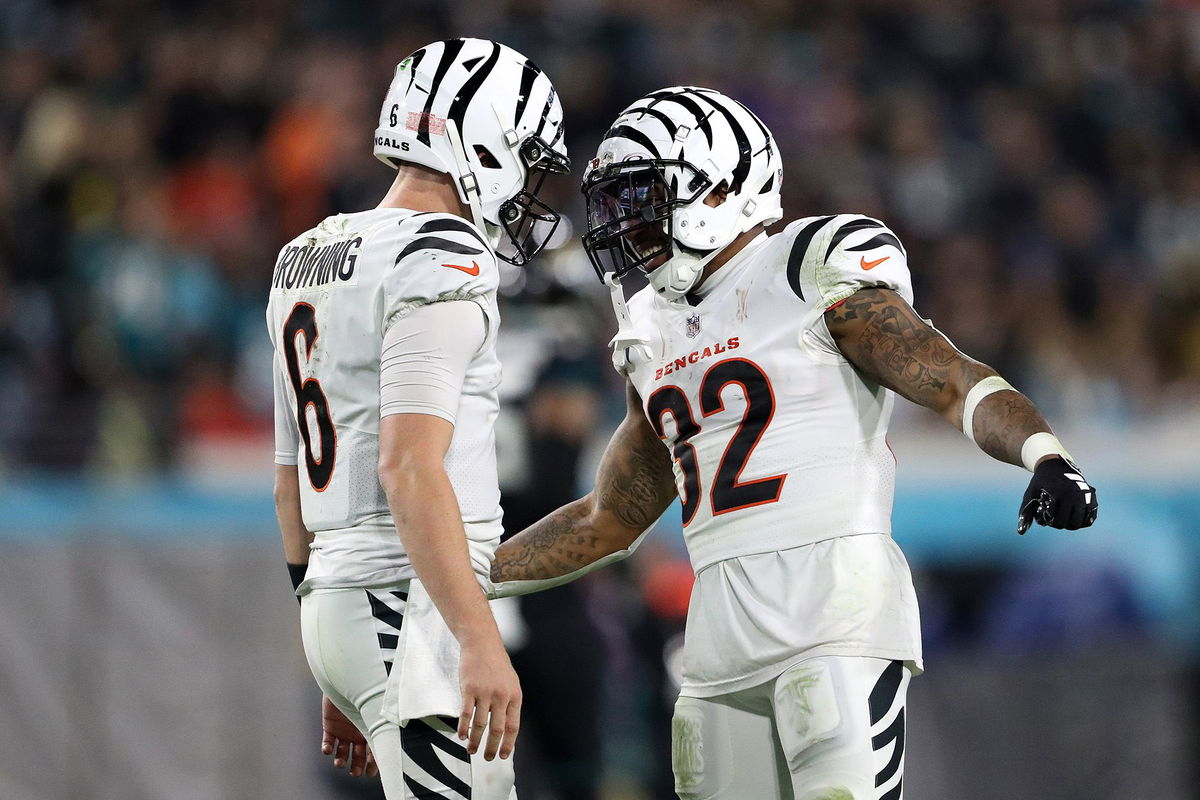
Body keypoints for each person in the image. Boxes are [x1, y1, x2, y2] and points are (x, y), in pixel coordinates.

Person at [488, 86, 1098, 800]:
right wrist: (465, 575)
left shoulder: (808, 263)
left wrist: (1043, 454)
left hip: (832, 613)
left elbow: (950, 379)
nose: (627, 225)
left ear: (717, 188)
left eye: (643, 197)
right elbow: (610, 517)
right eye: (618, 204)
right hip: (717, 639)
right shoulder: (648, 325)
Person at [268, 38, 569, 799]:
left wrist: (332, 661)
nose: (531, 185)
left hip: (340, 601)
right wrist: (475, 637)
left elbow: (288, 484)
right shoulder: (445, 254)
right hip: (406, 603)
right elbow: (406, 465)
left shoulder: (305, 252)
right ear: (484, 138)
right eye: (526, 157)